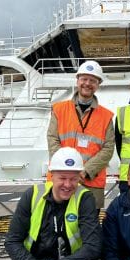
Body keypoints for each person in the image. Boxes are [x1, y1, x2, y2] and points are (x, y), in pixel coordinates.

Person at [47, 60, 115, 211]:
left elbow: (108, 148)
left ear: (98, 85)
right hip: (61, 180)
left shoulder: (106, 116)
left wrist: (85, 171)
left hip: (92, 181)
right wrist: (67, 169)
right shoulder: (59, 109)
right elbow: (53, 139)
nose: (87, 83)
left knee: (89, 227)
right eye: (84, 79)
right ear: (77, 81)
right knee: (56, 223)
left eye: (93, 80)